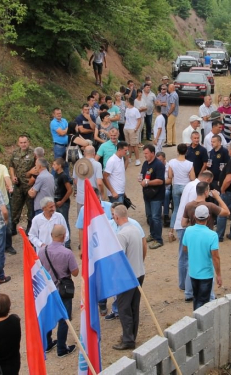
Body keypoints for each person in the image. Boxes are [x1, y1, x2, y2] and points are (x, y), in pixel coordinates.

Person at [38, 225, 78, 356]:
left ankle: (47, 343)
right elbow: (75, 272)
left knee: (48, 316)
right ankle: (61, 348)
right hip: (63, 290)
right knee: (64, 318)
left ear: (51, 235)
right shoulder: (67, 253)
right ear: (63, 236)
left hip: (48, 290)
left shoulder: (42, 251)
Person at [112, 205, 146, 350]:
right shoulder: (135, 229)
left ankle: (128, 340)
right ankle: (131, 335)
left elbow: (119, 259)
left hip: (127, 277)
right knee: (133, 307)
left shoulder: (122, 234)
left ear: (117, 217)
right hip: (139, 272)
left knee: (124, 309)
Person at [182, 205, 222, 310]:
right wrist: (218, 275)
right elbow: (215, 257)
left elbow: (185, 249)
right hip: (206, 274)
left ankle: (197, 319)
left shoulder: (188, 230)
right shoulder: (212, 235)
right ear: (208, 217)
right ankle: (200, 324)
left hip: (193, 272)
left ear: (195, 216)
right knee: (203, 301)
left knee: (196, 298)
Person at [167, 144, 195, 241]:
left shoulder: (172, 162)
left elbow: (170, 176)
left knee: (176, 209)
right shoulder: (189, 164)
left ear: (177, 151)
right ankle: (187, 229)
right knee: (186, 209)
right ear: (186, 151)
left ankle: (171, 231)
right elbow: (192, 178)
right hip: (185, 187)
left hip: (176, 186)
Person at [140, 145, 165, 249]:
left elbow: (160, 180)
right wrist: (141, 180)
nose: (145, 155)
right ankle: (152, 234)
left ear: (152, 153)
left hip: (156, 195)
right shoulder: (145, 164)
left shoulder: (159, 165)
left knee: (156, 217)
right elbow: (142, 175)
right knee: (149, 216)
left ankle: (158, 239)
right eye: (144, 153)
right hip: (147, 195)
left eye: (146, 153)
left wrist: (147, 183)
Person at [9, 135, 36, 234]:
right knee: (15, 206)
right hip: (18, 185)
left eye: (25, 142)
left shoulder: (34, 153)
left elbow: (38, 167)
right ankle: (13, 227)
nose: (23, 144)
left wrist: (32, 180)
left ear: (28, 142)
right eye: (21, 142)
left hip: (30, 185)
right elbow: (11, 165)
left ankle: (30, 227)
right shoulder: (15, 153)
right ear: (18, 143)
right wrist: (13, 176)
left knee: (30, 208)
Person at [73, 146, 104, 213]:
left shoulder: (77, 164)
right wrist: (102, 194)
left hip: (80, 197)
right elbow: (99, 183)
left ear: (84, 153)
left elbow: (75, 181)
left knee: (81, 219)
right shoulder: (97, 165)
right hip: (93, 197)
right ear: (94, 153)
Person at [52, 158, 73, 246]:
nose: (53, 166)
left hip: (63, 203)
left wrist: (62, 201)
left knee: (64, 221)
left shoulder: (63, 176)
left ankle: (67, 243)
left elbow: (69, 190)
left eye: (54, 164)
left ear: (59, 165)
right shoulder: (56, 174)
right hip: (56, 201)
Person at [123, 97, 142, 166]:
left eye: (126, 101)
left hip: (132, 129)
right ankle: (129, 158)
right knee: (128, 144)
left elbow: (139, 120)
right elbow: (126, 119)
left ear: (128, 102)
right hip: (126, 128)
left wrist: (136, 128)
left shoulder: (135, 110)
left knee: (134, 145)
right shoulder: (127, 109)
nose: (125, 103)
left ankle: (137, 159)